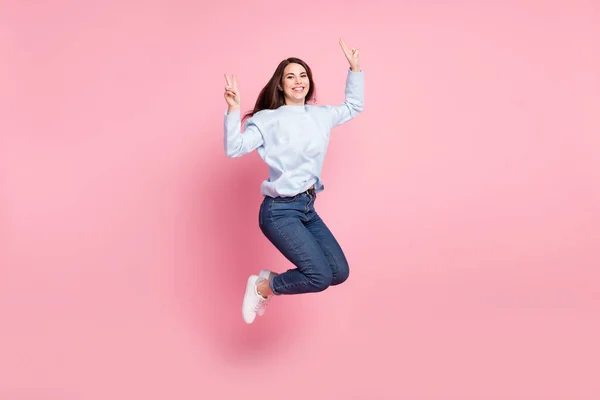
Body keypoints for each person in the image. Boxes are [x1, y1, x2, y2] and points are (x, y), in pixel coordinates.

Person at [223, 38, 364, 324]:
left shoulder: (321, 115)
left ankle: (268, 281)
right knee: (319, 277)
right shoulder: (267, 119)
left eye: (303, 76)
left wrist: (355, 69)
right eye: (290, 76)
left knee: (339, 272)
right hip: (279, 212)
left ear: (309, 83)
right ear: (280, 85)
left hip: (307, 208)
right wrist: (232, 110)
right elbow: (234, 148)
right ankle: (263, 287)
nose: (298, 81)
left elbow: (353, 106)